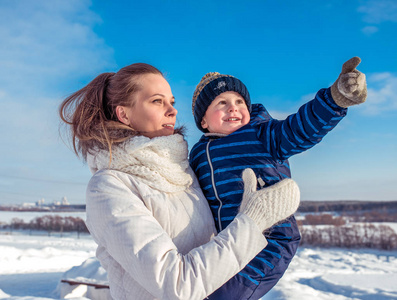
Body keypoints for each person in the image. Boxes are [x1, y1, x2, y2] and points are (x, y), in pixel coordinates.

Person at [59, 63, 301, 300]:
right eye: (157, 101)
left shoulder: (184, 171)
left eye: (171, 102)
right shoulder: (109, 187)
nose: (172, 111)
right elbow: (176, 286)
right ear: (124, 113)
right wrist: (252, 221)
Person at [189, 57, 367, 299]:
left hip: (270, 240)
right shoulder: (198, 154)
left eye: (239, 101)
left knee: (223, 295)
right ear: (203, 121)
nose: (233, 107)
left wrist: (334, 100)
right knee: (196, 289)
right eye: (221, 102)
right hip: (228, 240)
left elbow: (299, 129)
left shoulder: (262, 135)